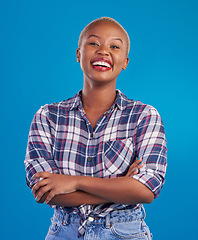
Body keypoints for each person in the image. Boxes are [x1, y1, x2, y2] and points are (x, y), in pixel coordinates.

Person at [24, 17, 167, 240]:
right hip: (63, 231)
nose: (104, 51)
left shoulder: (144, 116)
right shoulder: (48, 116)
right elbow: (45, 192)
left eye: (114, 46)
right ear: (78, 54)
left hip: (125, 232)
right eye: (93, 43)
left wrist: (73, 182)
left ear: (125, 61)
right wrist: (121, 188)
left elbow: (146, 191)